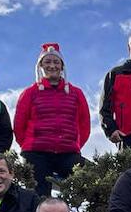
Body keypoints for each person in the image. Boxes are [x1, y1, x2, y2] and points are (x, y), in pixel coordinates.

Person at [14, 43, 90, 194]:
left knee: (91, 178)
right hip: (36, 153)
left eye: (56, 62)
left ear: (62, 67)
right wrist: (31, 144)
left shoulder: (76, 93)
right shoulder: (29, 93)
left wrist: (73, 145)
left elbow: (84, 124)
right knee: (38, 195)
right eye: (47, 62)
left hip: (67, 153)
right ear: (40, 66)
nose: (52, 66)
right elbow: (19, 126)